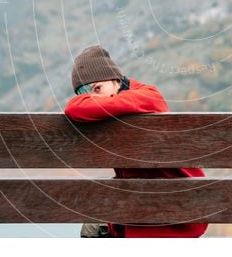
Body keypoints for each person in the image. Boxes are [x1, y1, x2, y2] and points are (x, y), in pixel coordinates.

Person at [65, 44, 209, 238]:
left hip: (175, 216)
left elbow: (73, 108)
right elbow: (76, 107)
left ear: (115, 79)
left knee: (96, 224)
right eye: (86, 95)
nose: (93, 99)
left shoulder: (148, 95)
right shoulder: (127, 102)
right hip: (156, 207)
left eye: (97, 88)